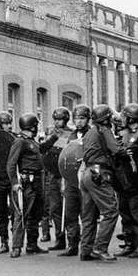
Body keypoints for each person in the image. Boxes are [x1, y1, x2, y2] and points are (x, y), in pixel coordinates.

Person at [79, 104, 124, 262]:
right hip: (99, 174)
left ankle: (86, 250)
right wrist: (125, 151)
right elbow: (116, 150)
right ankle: (100, 248)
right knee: (111, 211)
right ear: (106, 119)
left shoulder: (89, 132)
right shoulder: (104, 130)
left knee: (89, 215)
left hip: (87, 173)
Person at [6, 113, 49, 258]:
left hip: (37, 180)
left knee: (35, 214)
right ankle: (16, 246)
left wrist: (55, 137)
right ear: (32, 126)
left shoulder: (32, 142)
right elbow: (11, 164)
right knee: (21, 214)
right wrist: (15, 183)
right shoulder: (20, 141)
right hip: (27, 182)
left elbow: (43, 148)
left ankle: (32, 244)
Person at [114, 103, 138, 259]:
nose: (122, 118)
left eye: (125, 116)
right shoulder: (124, 133)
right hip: (124, 181)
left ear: (131, 118)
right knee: (126, 214)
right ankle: (129, 244)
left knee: (137, 216)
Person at [57, 104, 90, 257]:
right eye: (76, 118)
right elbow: (61, 157)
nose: (79, 121)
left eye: (82, 118)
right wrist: (63, 181)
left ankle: (87, 247)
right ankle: (72, 245)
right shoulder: (68, 136)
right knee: (70, 213)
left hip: (86, 179)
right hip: (70, 180)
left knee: (87, 214)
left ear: (88, 119)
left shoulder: (92, 134)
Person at [39, 107, 73, 251]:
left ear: (65, 120)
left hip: (65, 175)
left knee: (68, 208)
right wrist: (53, 137)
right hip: (52, 174)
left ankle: (72, 240)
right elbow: (42, 149)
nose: (58, 122)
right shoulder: (51, 133)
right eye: (56, 120)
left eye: (60, 120)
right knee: (54, 208)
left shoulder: (70, 134)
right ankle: (60, 238)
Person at [0, 112, 15, 254]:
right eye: (6, 123)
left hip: (12, 179)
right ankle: (4, 240)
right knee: (1, 211)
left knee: (15, 210)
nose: (9, 126)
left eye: (10, 123)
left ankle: (16, 239)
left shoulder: (14, 138)